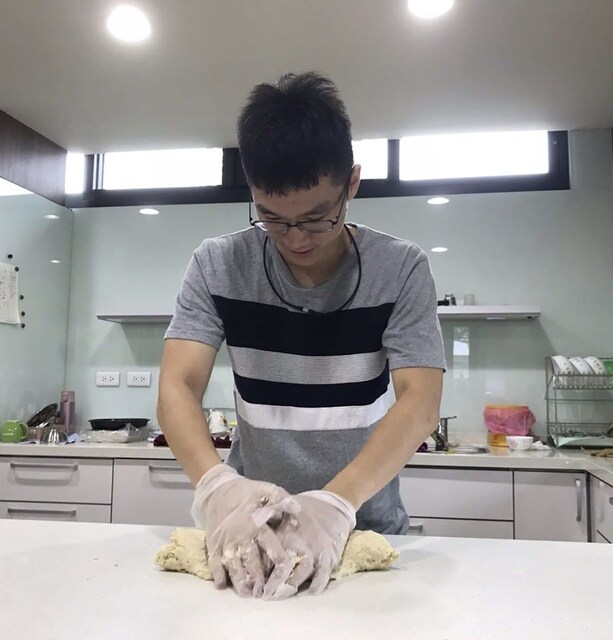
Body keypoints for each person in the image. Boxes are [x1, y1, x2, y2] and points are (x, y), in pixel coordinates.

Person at [157, 71, 446, 601]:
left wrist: (334, 505)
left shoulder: (400, 268)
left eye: (317, 219)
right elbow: (178, 385)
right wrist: (217, 489)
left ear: (351, 184)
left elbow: (421, 402)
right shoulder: (217, 265)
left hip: (360, 522)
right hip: (250, 528)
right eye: (271, 218)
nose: (295, 239)